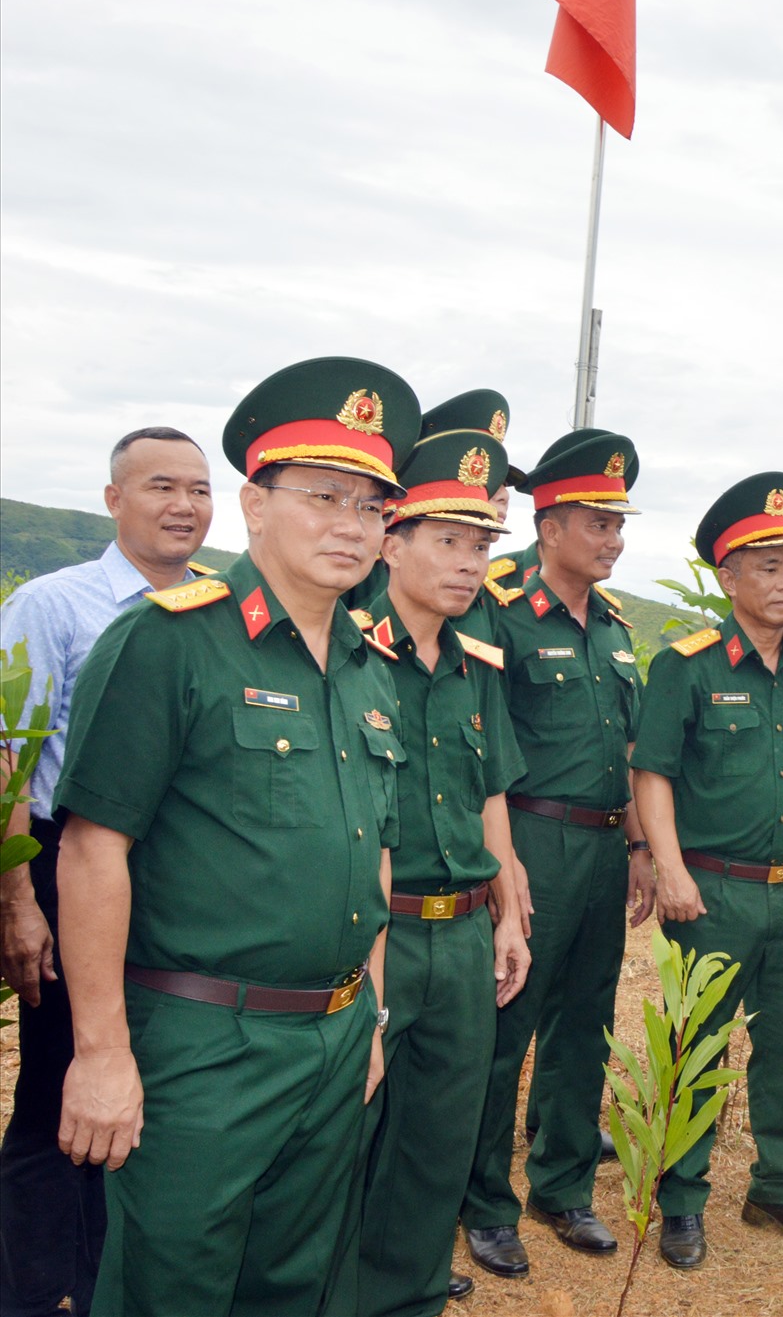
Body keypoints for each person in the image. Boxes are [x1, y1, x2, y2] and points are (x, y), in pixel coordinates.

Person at [52, 358, 416, 1316]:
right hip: (204, 1041)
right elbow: (94, 848)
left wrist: (368, 1012)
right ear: (255, 504)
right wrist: (99, 1054)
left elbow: (370, 854)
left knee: (292, 1286)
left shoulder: (372, 667)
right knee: (170, 1286)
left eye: (373, 506)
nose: (351, 524)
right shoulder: (170, 640)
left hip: (335, 1037)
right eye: (324, 496)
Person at [0, 427, 214, 1317]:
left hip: (177, 877)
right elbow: (11, 754)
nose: (184, 505)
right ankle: (30, 1285)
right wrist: (17, 898)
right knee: (62, 1081)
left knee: (148, 1080)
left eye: (200, 489)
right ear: (113, 497)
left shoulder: (218, 609)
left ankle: (108, 1281)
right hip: (65, 863)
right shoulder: (56, 603)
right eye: (161, 485)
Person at [631, 472, 783, 1269]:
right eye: (770, 568)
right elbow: (652, 773)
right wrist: (669, 868)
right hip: (711, 888)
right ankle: (681, 1197)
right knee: (697, 1046)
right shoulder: (686, 667)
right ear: (728, 577)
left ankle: (779, 1187)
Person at [352, 406, 532, 1315]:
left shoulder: (478, 664)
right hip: (372, 931)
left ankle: (410, 1291)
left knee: (437, 1138)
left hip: (461, 936)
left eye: (482, 545)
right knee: (352, 1134)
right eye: (451, 541)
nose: (471, 562)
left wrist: (508, 913)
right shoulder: (344, 651)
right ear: (391, 540)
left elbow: (490, 794)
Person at [461, 430, 654, 1278]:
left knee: (587, 1019)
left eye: (618, 523)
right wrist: (503, 864)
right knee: (506, 1023)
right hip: (529, 837)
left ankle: (562, 1181)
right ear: (548, 525)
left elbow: (628, 745)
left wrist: (642, 844)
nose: (613, 538)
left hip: (607, 844)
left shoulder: (613, 627)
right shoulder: (498, 611)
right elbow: (476, 748)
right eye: (596, 522)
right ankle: (481, 1199)